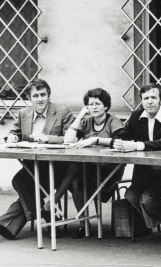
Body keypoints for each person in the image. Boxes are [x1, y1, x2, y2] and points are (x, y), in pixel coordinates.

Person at [0, 79, 74, 242]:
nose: (40, 99)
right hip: (33, 166)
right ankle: (46, 213)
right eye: (36, 95)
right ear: (30, 98)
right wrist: (12, 137)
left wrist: (48, 138)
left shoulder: (62, 111)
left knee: (24, 183)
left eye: (43, 94)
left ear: (49, 95)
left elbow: (71, 139)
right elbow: (15, 132)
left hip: (57, 167)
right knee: (21, 180)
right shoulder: (24, 114)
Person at [44, 88, 125, 238]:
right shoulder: (87, 121)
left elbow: (120, 142)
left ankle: (55, 198)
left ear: (106, 106)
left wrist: (96, 140)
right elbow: (68, 140)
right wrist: (80, 115)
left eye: (97, 104)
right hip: (88, 169)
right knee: (74, 180)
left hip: (109, 170)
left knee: (74, 167)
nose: (93, 107)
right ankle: (83, 223)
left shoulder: (114, 121)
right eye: (90, 104)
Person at [112, 83, 161, 237]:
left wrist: (137, 145)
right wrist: (117, 141)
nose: (150, 102)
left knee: (148, 200)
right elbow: (124, 133)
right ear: (141, 101)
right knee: (130, 195)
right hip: (145, 172)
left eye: (153, 97)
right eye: (146, 98)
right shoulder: (136, 115)